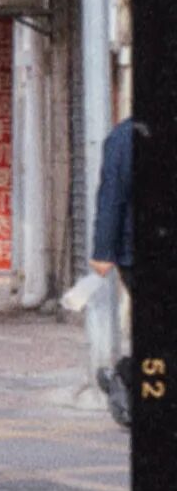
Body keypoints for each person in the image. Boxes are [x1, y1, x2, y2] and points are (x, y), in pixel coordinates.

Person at [89, 116, 136, 427]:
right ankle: (126, 378)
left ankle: (125, 377)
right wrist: (103, 251)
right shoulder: (125, 137)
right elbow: (111, 197)